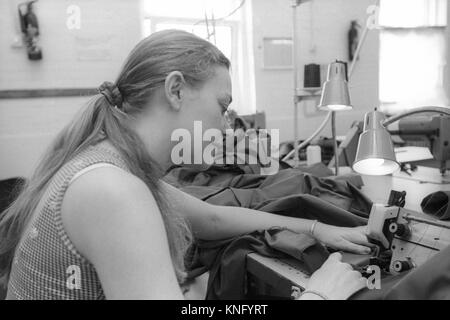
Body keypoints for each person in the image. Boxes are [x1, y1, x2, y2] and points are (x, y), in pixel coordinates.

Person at [0, 30, 372, 300]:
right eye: (222, 107)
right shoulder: (111, 190)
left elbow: (211, 220)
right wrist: (322, 296)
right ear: (176, 90)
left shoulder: (112, 162)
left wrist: (314, 226)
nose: (227, 126)